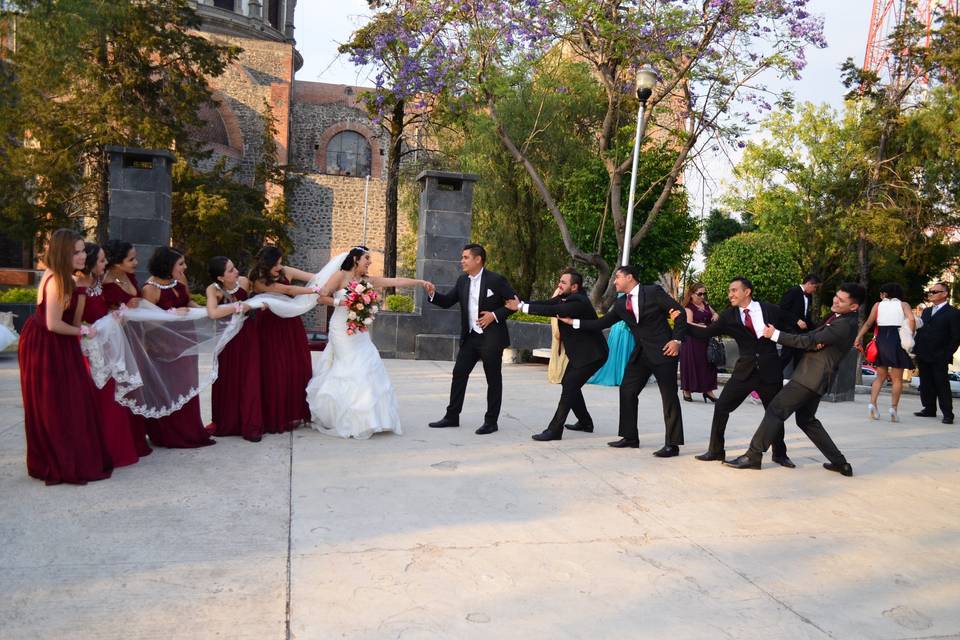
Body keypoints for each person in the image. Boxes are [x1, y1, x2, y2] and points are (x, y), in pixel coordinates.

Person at [725, 283, 865, 476]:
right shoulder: (841, 319)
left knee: (775, 410)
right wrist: (813, 342)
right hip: (816, 377)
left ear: (854, 307)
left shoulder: (844, 325)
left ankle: (753, 455)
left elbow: (809, 340)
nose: (835, 300)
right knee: (807, 420)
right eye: (836, 296)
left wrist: (775, 334)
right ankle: (841, 463)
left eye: (841, 300)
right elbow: (812, 337)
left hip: (809, 377)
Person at [307, 246, 433, 439]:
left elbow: (395, 280)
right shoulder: (340, 276)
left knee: (369, 364)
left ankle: (370, 419)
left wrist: (420, 282)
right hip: (341, 329)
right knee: (350, 368)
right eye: (367, 258)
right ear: (356, 259)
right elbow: (322, 296)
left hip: (359, 331)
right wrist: (341, 302)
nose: (370, 262)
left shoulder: (366, 281)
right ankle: (347, 417)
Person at [560, 265, 686, 457]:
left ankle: (672, 444)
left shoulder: (653, 292)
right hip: (641, 354)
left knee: (668, 397)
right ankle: (630, 437)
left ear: (630, 277)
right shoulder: (621, 305)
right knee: (627, 390)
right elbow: (601, 323)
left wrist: (676, 340)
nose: (614, 281)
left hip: (664, 352)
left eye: (617, 277)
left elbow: (679, 313)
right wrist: (573, 322)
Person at [18, 229, 112, 485]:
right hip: (48, 344)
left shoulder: (63, 277)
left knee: (65, 401)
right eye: (77, 252)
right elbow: (53, 324)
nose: (82, 256)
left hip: (53, 342)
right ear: (63, 253)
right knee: (59, 402)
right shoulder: (59, 280)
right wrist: (83, 330)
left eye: (83, 250)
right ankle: (59, 459)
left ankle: (57, 456)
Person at [683, 277, 793, 466]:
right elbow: (705, 333)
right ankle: (716, 450)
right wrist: (681, 323)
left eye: (734, 290)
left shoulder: (770, 310)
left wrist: (782, 360)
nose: (730, 294)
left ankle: (780, 454)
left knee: (774, 413)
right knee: (721, 407)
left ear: (747, 291)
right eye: (729, 291)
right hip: (745, 371)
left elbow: (791, 331)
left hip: (770, 371)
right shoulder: (728, 316)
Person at [506, 268, 608, 441]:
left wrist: (522, 307)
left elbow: (551, 311)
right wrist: (522, 304)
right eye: (559, 281)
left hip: (592, 355)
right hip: (580, 353)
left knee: (569, 386)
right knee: (569, 384)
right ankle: (585, 422)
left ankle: (555, 430)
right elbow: (547, 304)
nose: (559, 285)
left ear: (574, 287)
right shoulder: (565, 297)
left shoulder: (578, 301)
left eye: (563, 282)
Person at [426, 243, 517, 435]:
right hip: (471, 337)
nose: (462, 261)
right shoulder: (462, 281)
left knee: (493, 380)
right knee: (459, 374)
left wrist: (494, 315)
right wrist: (432, 294)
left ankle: (491, 422)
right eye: (462, 257)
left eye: (465, 257)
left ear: (478, 259)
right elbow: (448, 301)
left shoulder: (496, 280)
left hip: (492, 338)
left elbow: (514, 304)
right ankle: (452, 416)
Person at [141, 246, 216, 448]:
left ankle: (191, 430)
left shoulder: (179, 280)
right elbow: (146, 324)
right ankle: (170, 434)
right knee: (169, 388)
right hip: (164, 347)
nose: (185, 266)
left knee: (188, 386)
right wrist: (171, 315)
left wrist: (203, 310)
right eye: (180, 263)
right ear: (167, 265)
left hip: (185, 341)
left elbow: (187, 300)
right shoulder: (150, 289)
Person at [75, 242, 141, 467]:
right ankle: (102, 450)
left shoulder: (97, 283)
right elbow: (78, 322)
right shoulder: (78, 284)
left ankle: (117, 449)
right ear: (91, 263)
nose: (105, 264)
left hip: (106, 345)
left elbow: (103, 310)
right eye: (101, 261)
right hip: (91, 348)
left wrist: (115, 312)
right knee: (100, 397)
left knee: (113, 397)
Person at [249, 246, 321, 434]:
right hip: (270, 327)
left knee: (297, 364)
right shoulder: (258, 280)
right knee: (275, 367)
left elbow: (312, 276)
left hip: (291, 324)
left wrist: (329, 280)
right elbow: (287, 289)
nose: (280, 267)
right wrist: (316, 290)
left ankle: (295, 413)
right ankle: (273, 416)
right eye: (276, 264)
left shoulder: (285, 270)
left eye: (281, 263)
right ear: (267, 264)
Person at [99, 239, 151, 457]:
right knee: (123, 384)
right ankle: (123, 439)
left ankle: (137, 438)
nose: (136, 262)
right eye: (131, 259)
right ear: (116, 262)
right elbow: (100, 312)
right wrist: (118, 308)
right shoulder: (104, 283)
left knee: (138, 384)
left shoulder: (128, 276)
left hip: (135, 336)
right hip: (118, 339)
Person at [205, 256, 262, 442]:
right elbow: (213, 313)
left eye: (234, 266)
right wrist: (237, 306)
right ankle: (228, 422)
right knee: (229, 378)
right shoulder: (214, 290)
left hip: (248, 336)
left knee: (249, 378)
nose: (236, 271)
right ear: (220, 278)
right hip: (228, 340)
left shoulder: (244, 282)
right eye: (230, 270)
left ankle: (250, 424)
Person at [853, 282, 916, 423]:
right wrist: (909, 335)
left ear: (885, 294)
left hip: (881, 340)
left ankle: (872, 404)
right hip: (897, 339)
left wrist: (858, 338)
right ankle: (894, 408)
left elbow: (869, 323)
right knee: (897, 379)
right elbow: (911, 319)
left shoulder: (878, 305)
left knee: (879, 377)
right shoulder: (903, 304)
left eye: (882, 293)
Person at [912, 282, 960, 424]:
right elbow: (920, 332)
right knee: (926, 382)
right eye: (930, 291)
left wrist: (946, 354)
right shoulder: (926, 311)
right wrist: (916, 351)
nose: (930, 294)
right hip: (924, 353)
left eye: (934, 292)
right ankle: (929, 408)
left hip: (940, 355)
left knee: (941, 384)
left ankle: (947, 414)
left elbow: (956, 337)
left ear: (944, 294)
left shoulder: (953, 313)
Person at [679, 282, 718, 403]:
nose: (702, 296)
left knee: (708, 364)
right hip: (692, 341)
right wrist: (703, 326)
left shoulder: (705, 304)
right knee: (692, 365)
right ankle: (687, 390)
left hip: (705, 339)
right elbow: (688, 323)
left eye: (704, 294)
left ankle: (708, 391)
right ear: (692, 294)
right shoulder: (688, 307)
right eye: (699, 294)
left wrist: (716, 315)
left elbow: (715, 313)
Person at [779, 274, 821, 375]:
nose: (815, 290)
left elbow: (805, 317)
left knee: (800, 357)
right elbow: (781, 310)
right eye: (815, 287)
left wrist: (818, 329)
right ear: (809, 284)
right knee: (786, 356)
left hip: (801, 333)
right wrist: (796, 320)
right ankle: (771, 377)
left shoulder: (809, 296)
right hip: (790, 330)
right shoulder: (793, 292)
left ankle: (796, 382)